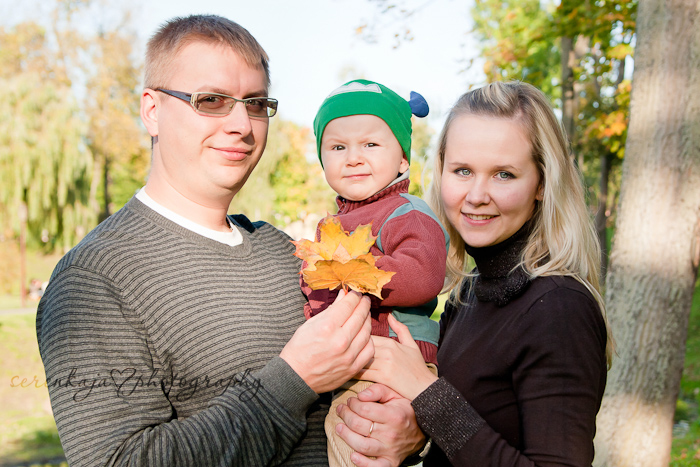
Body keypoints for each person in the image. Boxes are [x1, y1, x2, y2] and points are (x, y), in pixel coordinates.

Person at [36, 15, 422, 466]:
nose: (242, 123)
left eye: (256, 103)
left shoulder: (284, 252)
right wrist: (294, 380)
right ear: (152, 110)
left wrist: (411, 429)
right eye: (212, 100)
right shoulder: (93, 282)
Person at [355, 80, 613, 466]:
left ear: (541, 183)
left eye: (503, 174)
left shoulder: (558, 307)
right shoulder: (469, 293)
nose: (476, 195)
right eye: (462, 171)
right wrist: (415, 434)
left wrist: (428, 395)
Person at [302, 79, 448, 467]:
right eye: (337, 147)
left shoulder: (406, 212)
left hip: (391, 358)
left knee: (357, 446)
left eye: (370, 145)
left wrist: (351, 271)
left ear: (402, 160)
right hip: (349, 358)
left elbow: (423, 275)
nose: (353, 157)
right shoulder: (330, 225)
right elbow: (318, 293)